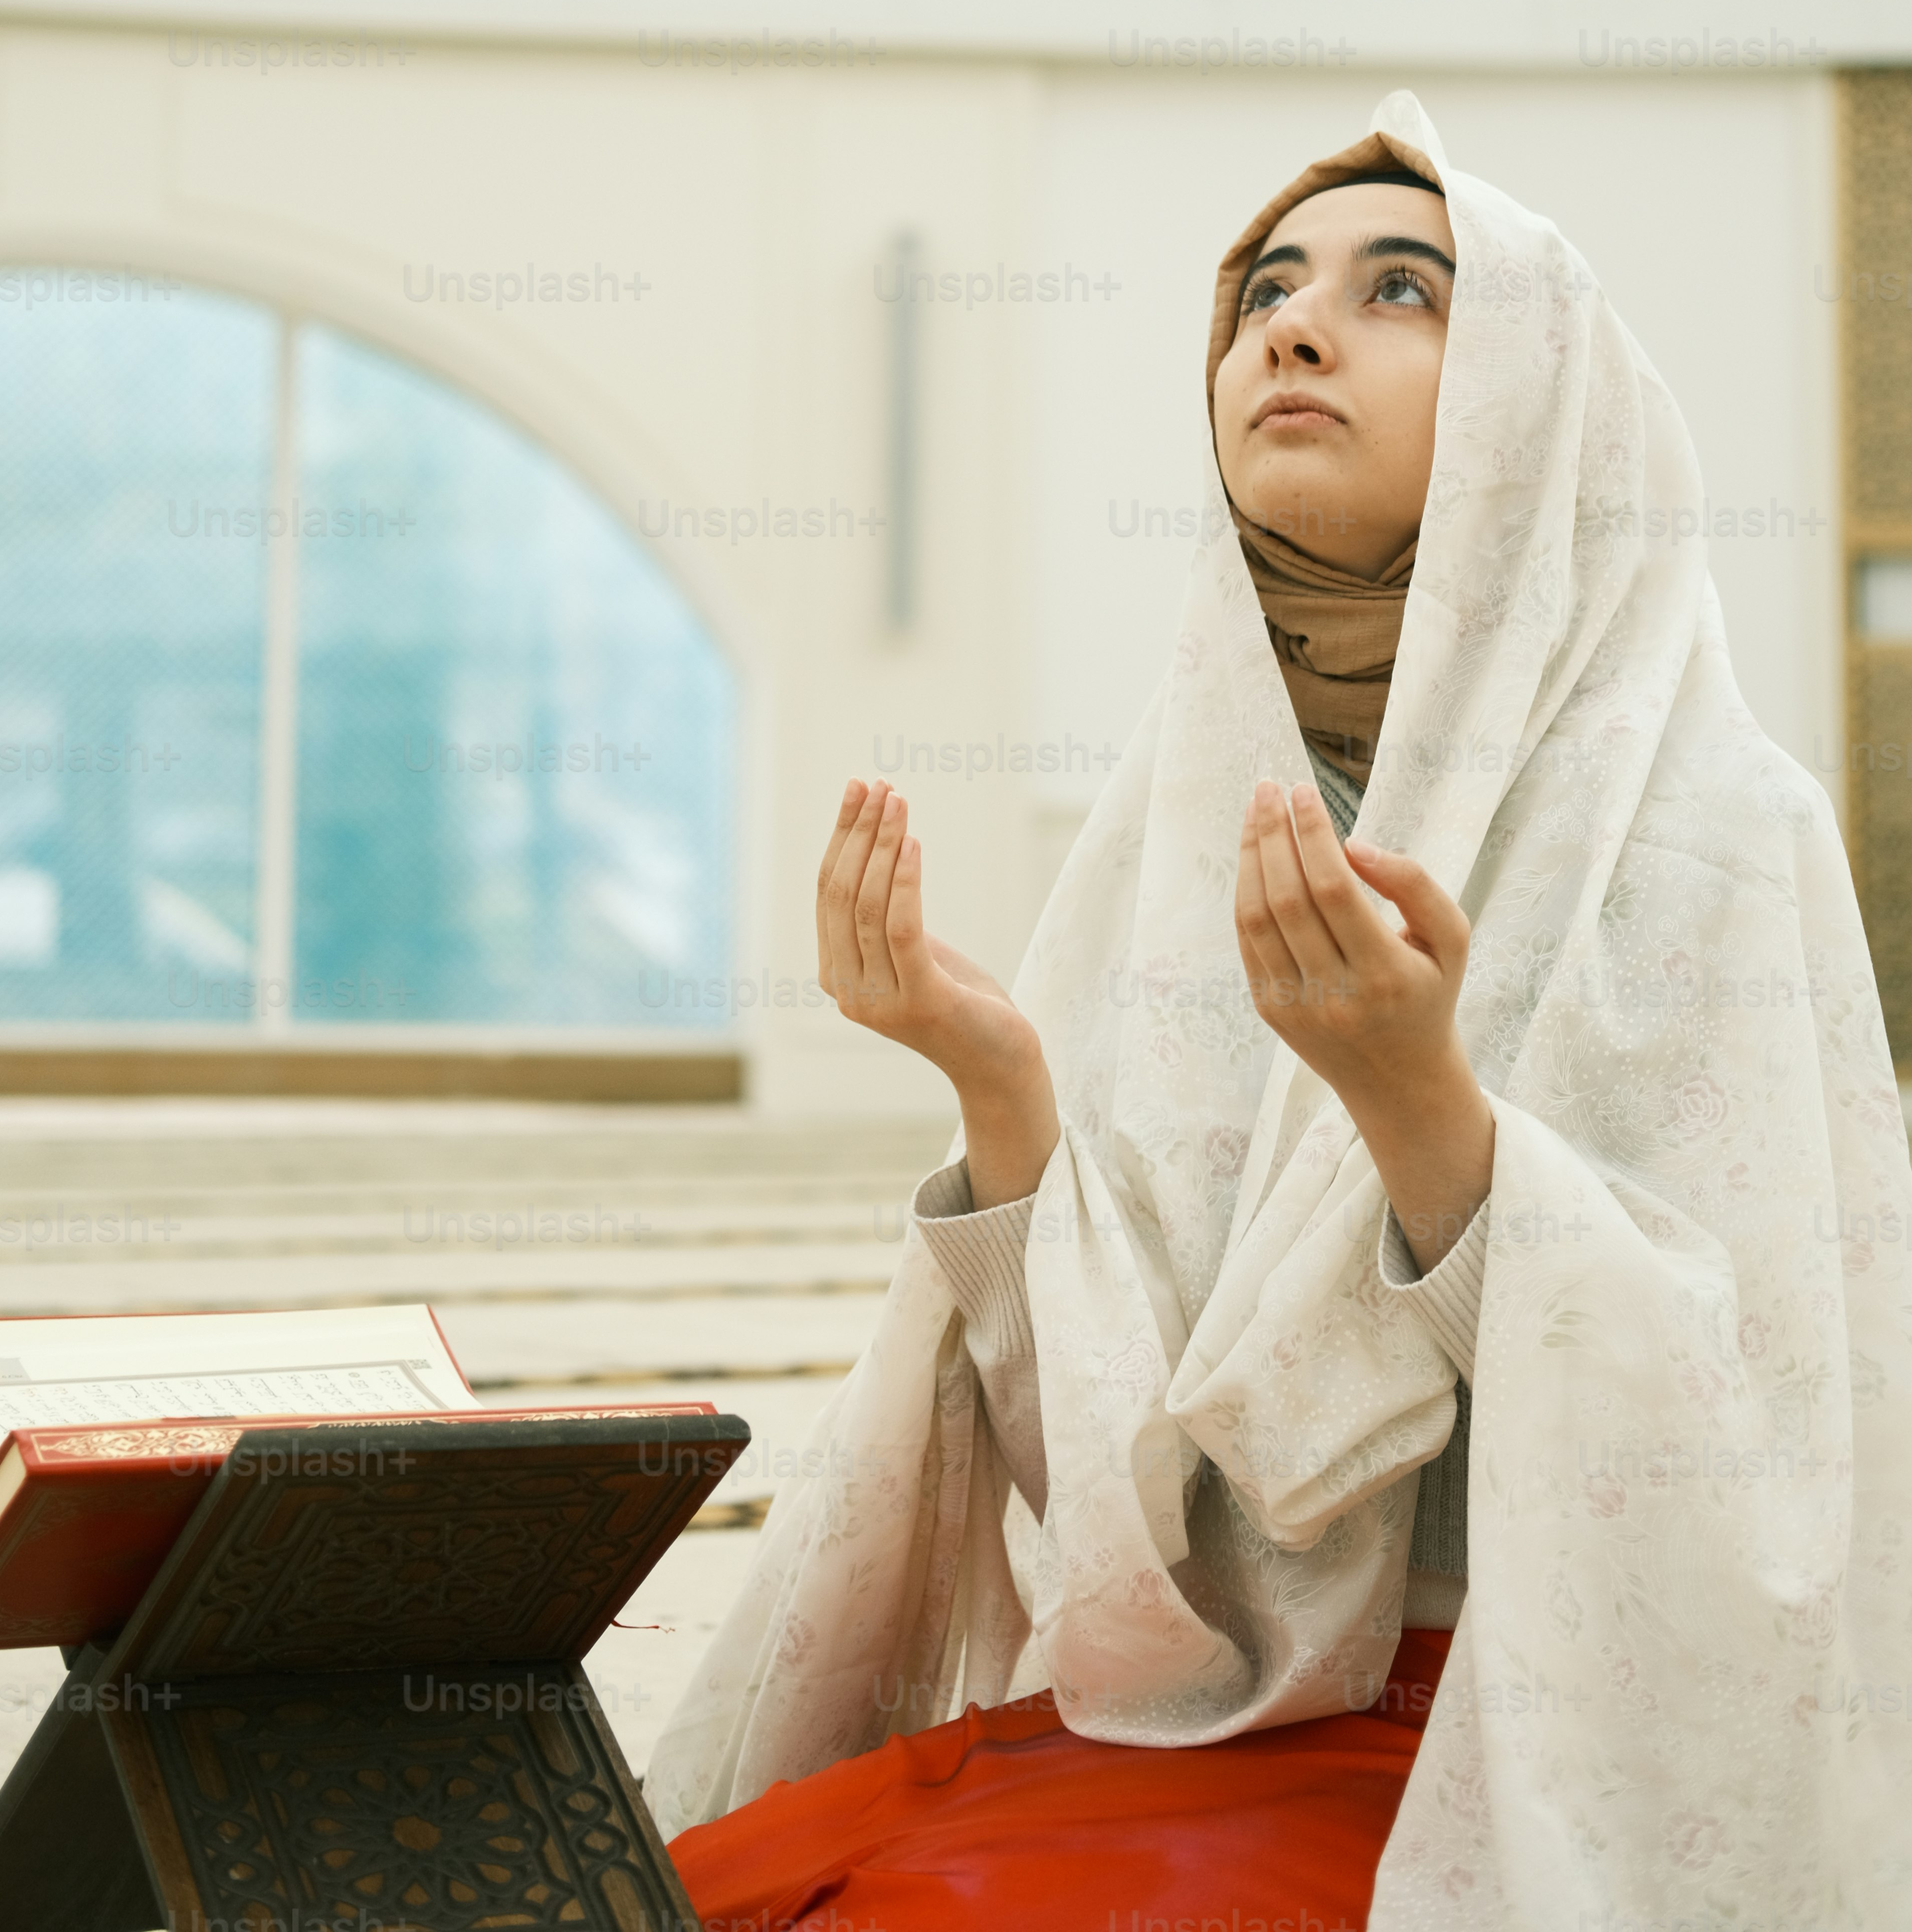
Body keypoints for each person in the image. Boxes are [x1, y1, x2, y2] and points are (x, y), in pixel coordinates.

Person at [649, 93, 1912, 1931]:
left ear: (1544, 405)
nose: (1296, 330)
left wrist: (1421, 1110)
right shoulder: (1183, 823)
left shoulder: (1718, 828)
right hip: (1194, 1718)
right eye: (1265, 295)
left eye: (1403, 289)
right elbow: (1118, 1505)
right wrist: (1000, 1097)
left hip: (1524, 1751)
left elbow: (1765, 1488)